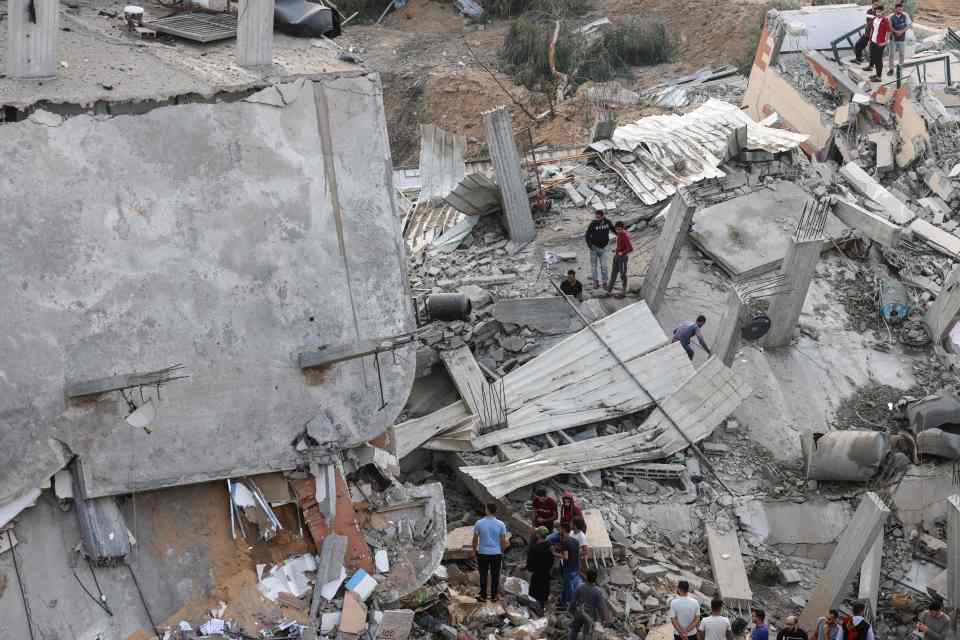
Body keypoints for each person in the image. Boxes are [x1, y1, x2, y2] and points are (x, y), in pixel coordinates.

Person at [471, 502, 508, 602]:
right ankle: (494, 596)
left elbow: (475, 539)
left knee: (483, 574)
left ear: (487, 510)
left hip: (483, 552)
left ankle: (483, 595)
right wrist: (502, 551)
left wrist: (474, 550)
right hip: (496, 553)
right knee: (495, 575)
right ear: (495, 511)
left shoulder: (479, 523)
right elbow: (503, 540)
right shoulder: (501, 524)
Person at [548, 522, 582, 608]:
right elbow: (575, 552)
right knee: (572, 586)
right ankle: (568, 601)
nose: (559, 530)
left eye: (560, 528)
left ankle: (565, 604)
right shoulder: (575, 541)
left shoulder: (565, 542)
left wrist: (554, 553)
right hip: (576, 566)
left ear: (563, 529)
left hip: (569, 568)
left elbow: (565, 557)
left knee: (567, 587)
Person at [569, 568, 608, 640]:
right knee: (586, 633)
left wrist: (571, 610)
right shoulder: (598, 591)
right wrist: (604, 619)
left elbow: (573, 601)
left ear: (586, 577)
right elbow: (601, 607)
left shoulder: (580, 586)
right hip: (590, 615)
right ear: (595, 578)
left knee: (574, 630)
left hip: (579, 612)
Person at [584, 210, 616, 288]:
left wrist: (621, 234)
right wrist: (590, 246)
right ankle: (595, 282)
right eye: (596, 217)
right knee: (594, 266)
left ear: (602, 216)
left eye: (598, 217)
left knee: (604, 266)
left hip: (604, 248)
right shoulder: (593, 223)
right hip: (594, 248)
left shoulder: (607, 222)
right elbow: (587, 235)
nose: (597, 219)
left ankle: (604, 282)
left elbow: (614, 230)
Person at [525, 526, 554, 610]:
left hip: (537, 575)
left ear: (538, 535)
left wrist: (528, 568)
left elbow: (530, 564)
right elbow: (552, 560)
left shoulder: (534, 548)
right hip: (546, 574)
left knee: (534, 594)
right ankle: (542, 608)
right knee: (543, 594)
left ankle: (533, 610)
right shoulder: (550, 546)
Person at [865, 4, 891, 81]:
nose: (878, 13)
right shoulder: (874, 19)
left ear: (882, 12)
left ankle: (879, 77)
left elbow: (889, 32)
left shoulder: (885, 20)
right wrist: (869, 40)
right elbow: (872, 30)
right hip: (873, 41)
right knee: (873, 57)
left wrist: (885, 42)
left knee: (878, 60)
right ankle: (876, 74)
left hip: (880, 43)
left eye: (879, 12)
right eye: (877, 12)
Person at [606, 221, 633, 297]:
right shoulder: (619, 234)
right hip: (616, 257)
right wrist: (616, 250)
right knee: (613, 274)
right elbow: (621, 245)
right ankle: (608, 291)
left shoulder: (624, 235)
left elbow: (630, 248)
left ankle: (623, 292)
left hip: (623, 258)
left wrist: (623, 252)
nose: (618, 231)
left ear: (623, 228)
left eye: (620, 229)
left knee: (623, 275)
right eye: (617, 229)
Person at [886, 2, 912, 76]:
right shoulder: (891, 16)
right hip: (893, 39)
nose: (900, 10)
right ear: (895, 9)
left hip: (902, 39)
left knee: (902, 54)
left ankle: (900, 68)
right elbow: (890, 26)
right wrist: (896, 31)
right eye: (898, 8)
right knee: (891, 54)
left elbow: (909, 25)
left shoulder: (905, 16)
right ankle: (891, 69)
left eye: (901, 9)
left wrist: (901, 32)